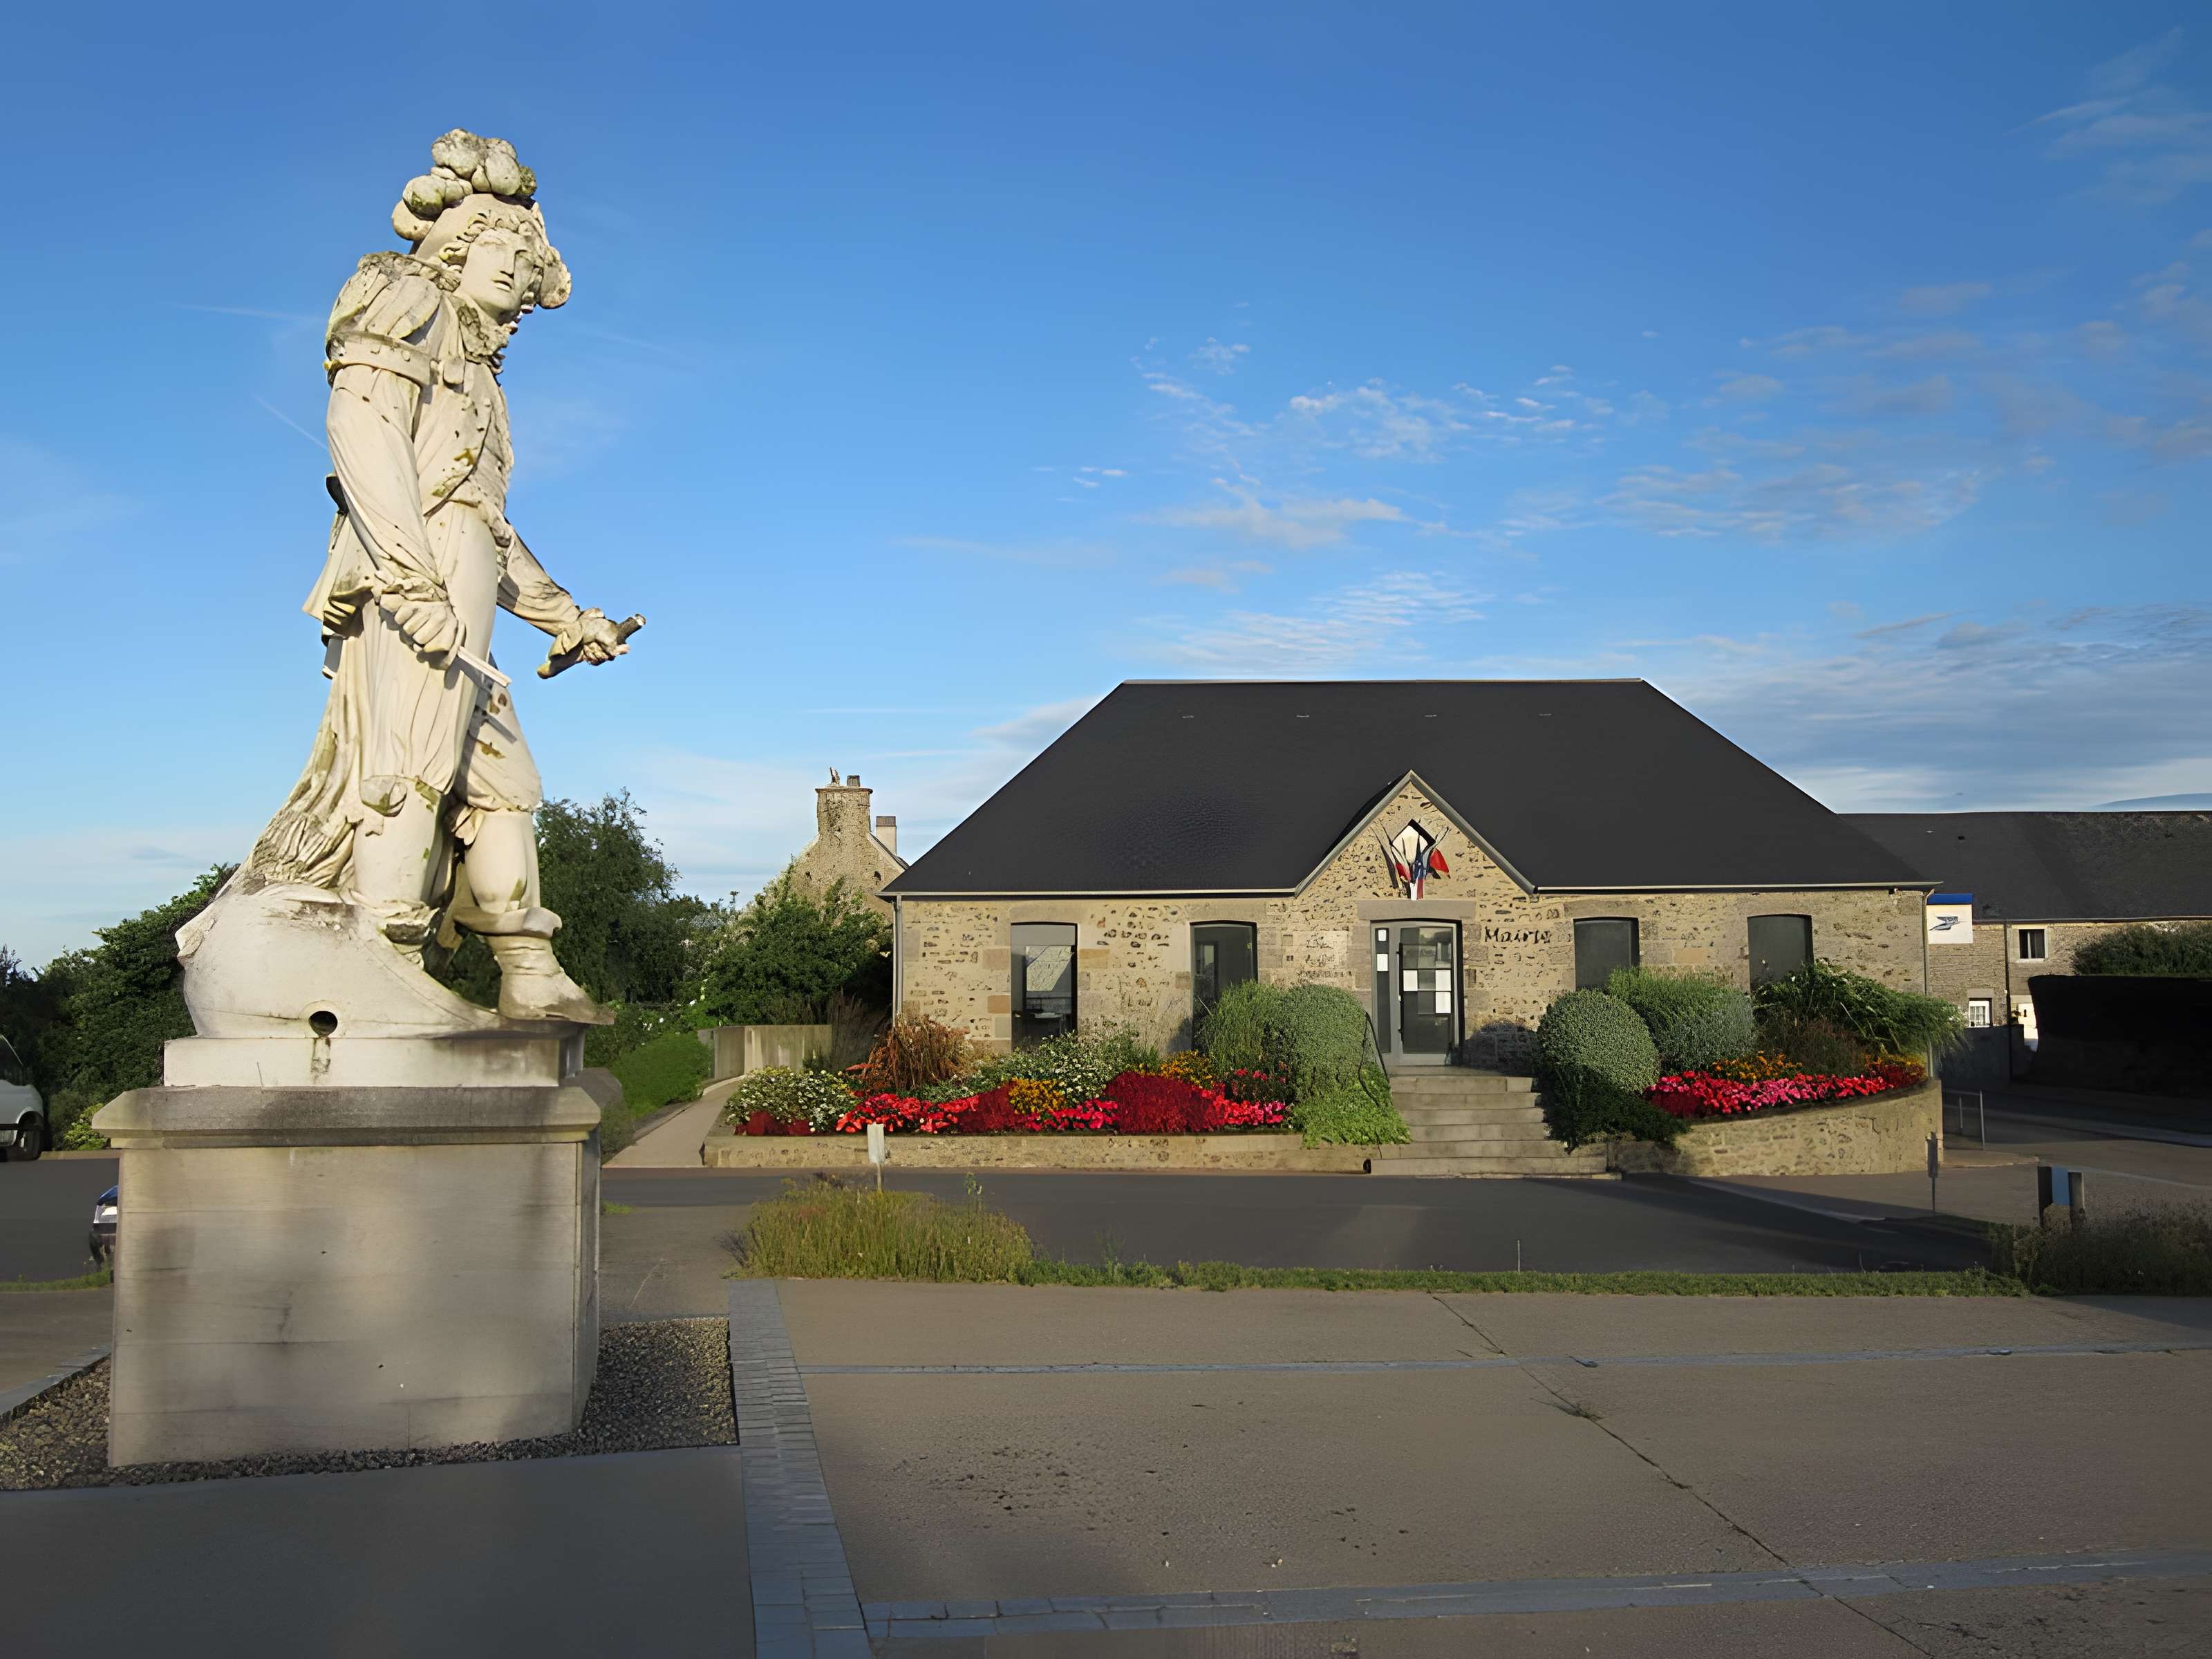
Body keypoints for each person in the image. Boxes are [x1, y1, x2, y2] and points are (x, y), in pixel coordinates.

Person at [241, 130, 630, 1022]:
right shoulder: (405, 289)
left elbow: (484, 519)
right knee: (410, 758)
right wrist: (410, 579)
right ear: (464, 241)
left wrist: (564, 616)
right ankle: (382, 955)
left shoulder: (482, 371)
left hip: (456, 555)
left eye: (530, 271)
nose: (521, 287)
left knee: (497, 773)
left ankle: (527, 963)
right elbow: (362, 432)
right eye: (511, 256)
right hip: (413, 559)